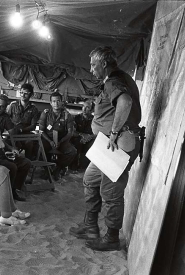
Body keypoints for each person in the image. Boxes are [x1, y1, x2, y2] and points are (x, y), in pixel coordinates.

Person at [69, 46, 142, 251]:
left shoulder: (114, 81)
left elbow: (125, 102)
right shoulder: (119, 79)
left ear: (103, 63)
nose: (91, 69)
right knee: (90, 179)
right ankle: (91, 227)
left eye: (93, 65)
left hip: (119, 144)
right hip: (108, 146)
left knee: (110, 192)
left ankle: (111, 238)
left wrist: (114, 132)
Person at [38, 91, 77, 180]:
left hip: (62, 140)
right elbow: (41, 130)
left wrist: (61, 141)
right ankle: (46, 168)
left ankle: (58, 167)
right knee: (39, 148)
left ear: (62, 102)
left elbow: (70, 133)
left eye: (58, 101)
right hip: (48, 139)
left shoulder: (67, 115)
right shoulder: (45, 113)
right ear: (51, 103)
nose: (56, 103)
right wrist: (50, 141)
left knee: (72, 151)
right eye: (54, 101)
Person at [6, 83, 39, 160]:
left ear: (31, 94)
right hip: (13, 134)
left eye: (26, 94)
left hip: (26, 135)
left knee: (30, 143)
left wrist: (22, 130)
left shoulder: (34, 109)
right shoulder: (13, 105)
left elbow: (33, 125)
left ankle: (28, 163)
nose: (23, 95)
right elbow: (6, 119)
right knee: (7, 144)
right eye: (21, 93)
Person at [69, 100, 96, 171]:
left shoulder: (94, 120)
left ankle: (86, 167)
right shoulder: (76, 118)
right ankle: (74, 166)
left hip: (89, 139)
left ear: (92, 110)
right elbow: (72, 131)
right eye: (83, 106)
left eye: (87, 107)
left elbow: (97, 133)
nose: (84, 109)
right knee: (77, 141)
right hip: (78, 139)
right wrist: (82, 135)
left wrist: (89, 137)